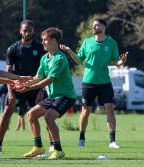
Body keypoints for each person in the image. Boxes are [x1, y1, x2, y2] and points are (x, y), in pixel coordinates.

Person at [60, 17, 128, 149]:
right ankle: (81, 138)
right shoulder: (87, 42)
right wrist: (69, 51)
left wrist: (123, 61)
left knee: (110, 110)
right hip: (88, 82)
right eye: (93, 26)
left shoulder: (111, 43)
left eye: (97, 25)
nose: (94, 27)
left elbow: (117, 62)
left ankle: (112, 141)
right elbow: (79, 60)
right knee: (85, 111)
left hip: (105, 83)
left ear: (104, 28)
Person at [15, 27, 76, 159]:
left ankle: (58, 150)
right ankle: (38, 147)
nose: (42, 43)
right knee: (31, 114)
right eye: (42, 40)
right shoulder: (44, 58)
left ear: (54, 41)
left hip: (66, 96)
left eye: (45, 40)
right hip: (54, 97)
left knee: (49, 117)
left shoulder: (60, 58)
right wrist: (24, 84)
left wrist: (29, 88)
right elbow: (38, 77)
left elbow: (49, 80)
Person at [0, 19, 46, 152]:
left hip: (35, 88)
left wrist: (41, 89)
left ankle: (43, 146)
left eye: (29, 30)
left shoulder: (40, 48)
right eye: (24, 31)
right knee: (6, 113)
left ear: (33, 31)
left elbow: (45, 70)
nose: (27, 33)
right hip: (17, 87)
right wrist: (10, 91)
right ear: (20, 31)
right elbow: (8, 72)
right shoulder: (13, 49)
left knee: (43, 115)